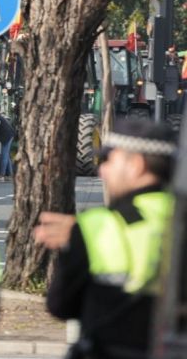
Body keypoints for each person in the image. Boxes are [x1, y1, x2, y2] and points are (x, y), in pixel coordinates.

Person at [35, 119, 175, 359]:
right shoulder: (177, 220)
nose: (102, 170)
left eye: (109, 159)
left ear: (136, 165)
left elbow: (60, 305)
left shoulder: (97, 227)